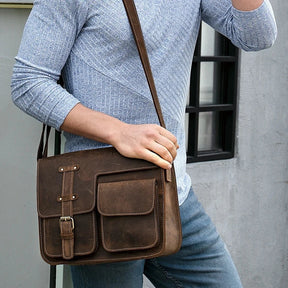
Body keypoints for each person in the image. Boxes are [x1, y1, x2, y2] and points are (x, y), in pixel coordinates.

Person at [11, 0, 277, 287]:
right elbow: (29, 83)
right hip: (99, 200)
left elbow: (257, 36)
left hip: (172, 189)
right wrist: (119, 132)